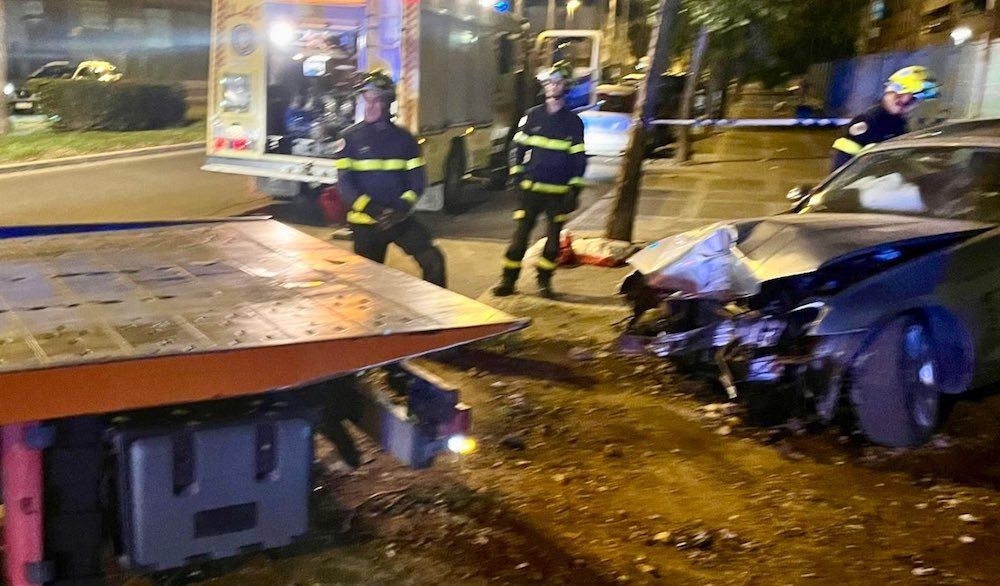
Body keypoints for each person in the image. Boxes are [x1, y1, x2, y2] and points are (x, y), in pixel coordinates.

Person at [336, 70, 446, 287]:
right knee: (368, 285)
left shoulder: (405, 140)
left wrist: (401, 208)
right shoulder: (350, 138)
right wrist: (372, 209)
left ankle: (436, 308)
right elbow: (345, 184)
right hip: (366, 223)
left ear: (388, 103)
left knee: (433, 260)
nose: (369, 106)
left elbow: (417, 182)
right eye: (366, 100)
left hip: (399, 219)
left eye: (376, 100)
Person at [493, 61, 587, 299]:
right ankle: (507, 281)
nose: (552, 86)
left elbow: (578, 158)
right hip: (531, 190)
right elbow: (517, 148)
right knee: (519, 239)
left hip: (558, 193)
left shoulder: (573, 123)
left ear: (565, 86)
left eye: (557, 83)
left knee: (553, 243)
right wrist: (516, 176)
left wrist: (574, 190)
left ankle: (544, 283)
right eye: (549, 82)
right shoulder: (532, 116)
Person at [831, 66, 940, 170]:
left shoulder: (898, 123)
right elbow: (842, 165)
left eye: (913, 101)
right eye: (905, 98)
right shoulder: (869, 121)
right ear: (892, 93)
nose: (907, 104)